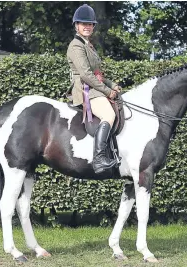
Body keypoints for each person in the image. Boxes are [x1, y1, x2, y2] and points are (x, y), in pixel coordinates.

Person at [67, 4, 121, 174]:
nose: (87, 27)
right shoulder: (76, 46)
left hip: (93, 86)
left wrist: (113, 85)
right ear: (77, 25)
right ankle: (99, 159)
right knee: (109, 115)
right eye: (84, 23)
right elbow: (86, 75)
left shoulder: (88, 45)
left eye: (90, 24)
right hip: (85, 90)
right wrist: (107, 91)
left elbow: (97, 74)